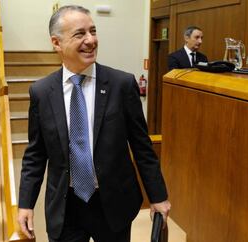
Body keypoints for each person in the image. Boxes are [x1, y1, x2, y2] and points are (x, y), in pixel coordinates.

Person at [18, 5, 171, 242]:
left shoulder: (121, 84)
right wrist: (25, 204)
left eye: (93, 31)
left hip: (113, 202)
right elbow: (35, 155)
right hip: (65, 206)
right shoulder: (41, 92)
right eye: (80, 34)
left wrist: (158, 196)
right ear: (56, 43)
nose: (91, 40)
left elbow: (142, 147)